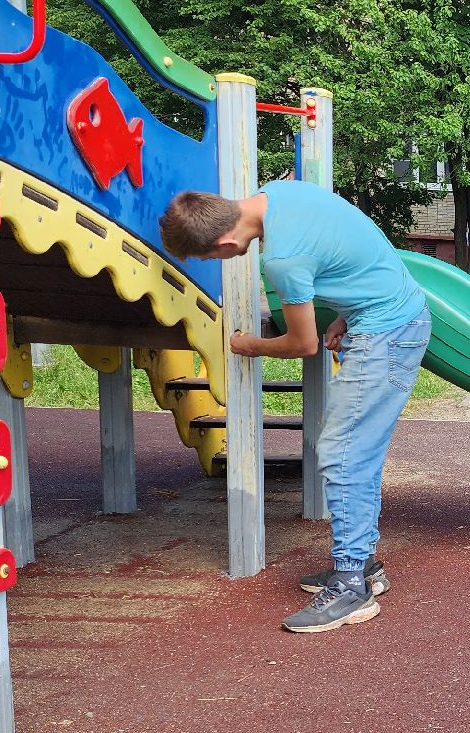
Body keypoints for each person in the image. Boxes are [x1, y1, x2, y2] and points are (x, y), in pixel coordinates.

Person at [159, 182, 430, 634]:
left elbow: (303, 344)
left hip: (387, 336)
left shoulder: (281, 260)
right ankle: (361, 565)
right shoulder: (284, 193)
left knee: (344, 455)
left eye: (210, 258)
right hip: (388, 316)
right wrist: (349, 311)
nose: (216, 263)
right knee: (353, 453)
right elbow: (357, 244)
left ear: (226, 243)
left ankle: (350, 585)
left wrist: (248, 345)